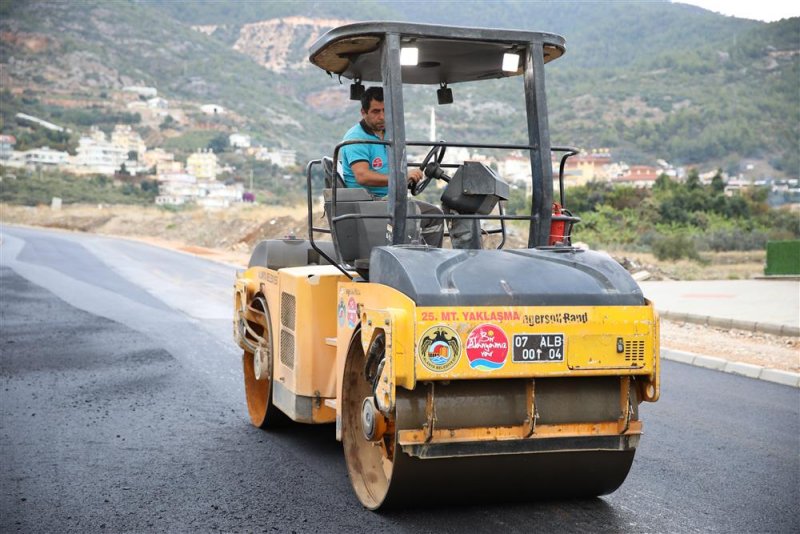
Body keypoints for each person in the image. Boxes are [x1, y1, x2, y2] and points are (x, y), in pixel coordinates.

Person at [339, 86, 443, 247]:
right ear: (363, 112)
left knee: (433, 213)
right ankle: (428, 260)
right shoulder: (356, 138)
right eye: (375, 111)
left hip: (390, 199)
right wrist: (401, 178)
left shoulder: (390, 135)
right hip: (370, 202)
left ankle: (421, 254)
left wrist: (406, 180)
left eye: (385, 111)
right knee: (434, 215)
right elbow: (363, 176)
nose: (382, 117)